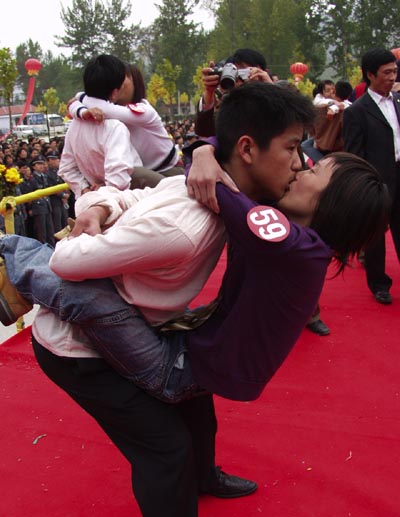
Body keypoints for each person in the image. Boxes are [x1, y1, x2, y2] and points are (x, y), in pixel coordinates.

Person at [0, 83, 389, 402]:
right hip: (200, 351)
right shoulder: (300, 239)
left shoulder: (292, 244)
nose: (301, 167)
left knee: (86, 293)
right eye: (296, 152)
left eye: (315, 171)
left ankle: (12, 253)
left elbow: (217, 187)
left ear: (334, 204)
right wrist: (208, 147)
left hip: (188, 363)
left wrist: (201, 153)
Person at [68, 63, 184, 190]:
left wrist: (81, 97)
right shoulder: (104, 112)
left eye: (122, 78)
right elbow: (73, 105)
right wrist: (81, 108)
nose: (118, 83)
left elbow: (103, 108)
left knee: (171, 190)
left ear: (135, 82)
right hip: (137, 173)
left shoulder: (144, 111)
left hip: (168, 171)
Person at [343, 47, 400, 304]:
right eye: (386, 72)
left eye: (394, 71)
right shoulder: (357, 111)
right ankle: (379, 284)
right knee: (375, 235)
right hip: (377, 179)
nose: (392, 77)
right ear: (370, 75)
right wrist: (362, 185)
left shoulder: (397, 101)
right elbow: (354, 153)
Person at [59, 54, 142, 198]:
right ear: (114, 93)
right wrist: (103, 192)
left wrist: (85, 190)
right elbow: (118, 179)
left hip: (97, 197)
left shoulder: (75, 126)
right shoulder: (114, 127)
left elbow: (66, 168)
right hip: (125, 199)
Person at [195, 48, 272, 136]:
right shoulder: (228, 106)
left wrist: (270, 88)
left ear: (265, 73)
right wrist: (209, 92)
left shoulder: (277, 96)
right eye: (236, 74)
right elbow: (205, 131)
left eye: (246, 73)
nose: (241, 79)